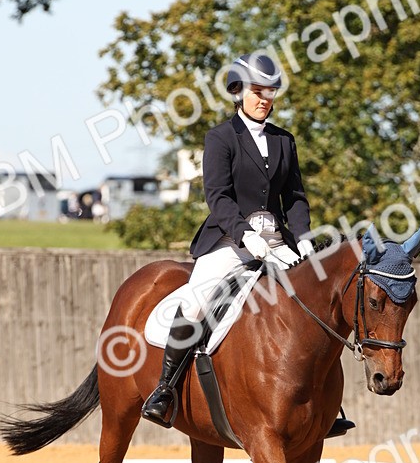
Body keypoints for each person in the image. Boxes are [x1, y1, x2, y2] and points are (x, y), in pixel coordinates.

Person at [141, 52, 354, 437]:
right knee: (195, 301)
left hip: (279, 243)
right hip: (228, 242)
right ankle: (165, 390)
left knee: (314, 301)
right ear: (238, 91)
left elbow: (296, 198)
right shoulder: (220, 138)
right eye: (258, 91)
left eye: (270, 91)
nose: (265, 98)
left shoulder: (284, 140)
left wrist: (303, 240)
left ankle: (328, 405)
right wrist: (244, 235)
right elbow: (218, 196)